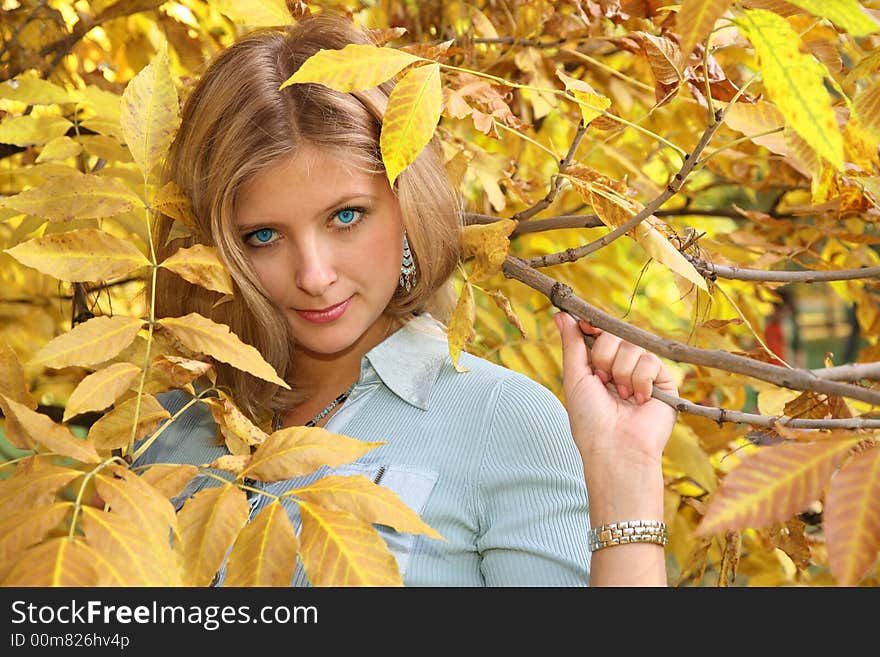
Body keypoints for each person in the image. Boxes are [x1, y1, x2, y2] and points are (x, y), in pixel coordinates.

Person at [135, 10, 678, 587]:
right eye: (262, 236)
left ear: (406, 206)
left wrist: (625, 476)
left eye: (346, 217)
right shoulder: (171, 424)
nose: (314, 276)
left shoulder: (501, 417)